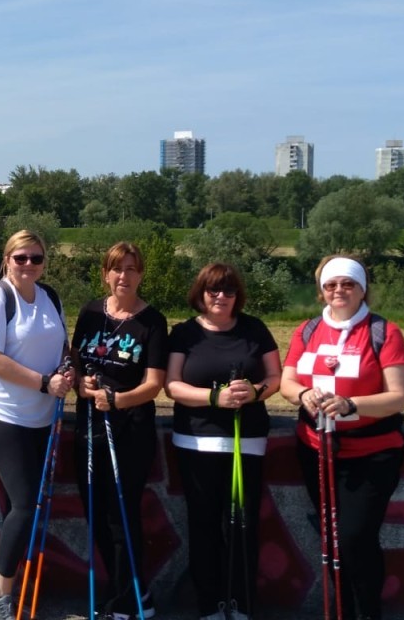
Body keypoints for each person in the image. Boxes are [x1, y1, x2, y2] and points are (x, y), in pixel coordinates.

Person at [278, 255, 404, 620]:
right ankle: (341, 612)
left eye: (348, 284)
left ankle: (368, 613)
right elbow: (287, 382)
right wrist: (303, 395)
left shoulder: (384, 331)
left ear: (362, 289)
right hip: (316, 450)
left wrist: (351, 405)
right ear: (322, 291)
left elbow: (397, 397)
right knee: (332, 543)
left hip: (371, 455)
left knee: (354, 540)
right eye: (331, 284)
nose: (339, 290)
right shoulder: (306, 330)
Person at [165, 263, 281, 620]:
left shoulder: (254, 329)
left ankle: (241, 603)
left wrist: (255, 392)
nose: (220, 297)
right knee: (203, 528)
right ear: (200, 293)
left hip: (245, 442)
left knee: (243, 527)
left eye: (228, 291)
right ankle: (209, 605)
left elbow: (276, 377)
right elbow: (172, 385)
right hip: (197, 442)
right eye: (213, 290)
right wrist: (213, 398)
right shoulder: (185, 333)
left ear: (237, 296)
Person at [0, 230, 74, 620]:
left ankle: (21, 585)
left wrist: (67, 371)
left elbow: (63, 346)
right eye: (21, 258)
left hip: (43, 416)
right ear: (7, 259)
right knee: (26, 504)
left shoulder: (50, 297)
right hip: (5, 414)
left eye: (36, 258)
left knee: (35, 503)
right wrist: (44, 382)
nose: (29, 265)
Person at [71, 241, 168, 620]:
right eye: (116, 268)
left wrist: (117, 400)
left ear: (140, 274)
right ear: (105, 274)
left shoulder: (153, 321)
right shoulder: (91, 312)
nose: (123, 276)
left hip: (130, 430)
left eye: (131, 269)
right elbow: (76, 359)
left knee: (121, 517)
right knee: (96, 511)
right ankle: (128, 590)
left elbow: (154, 383)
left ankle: (124, 597)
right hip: (90, 427)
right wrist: (81, 385)